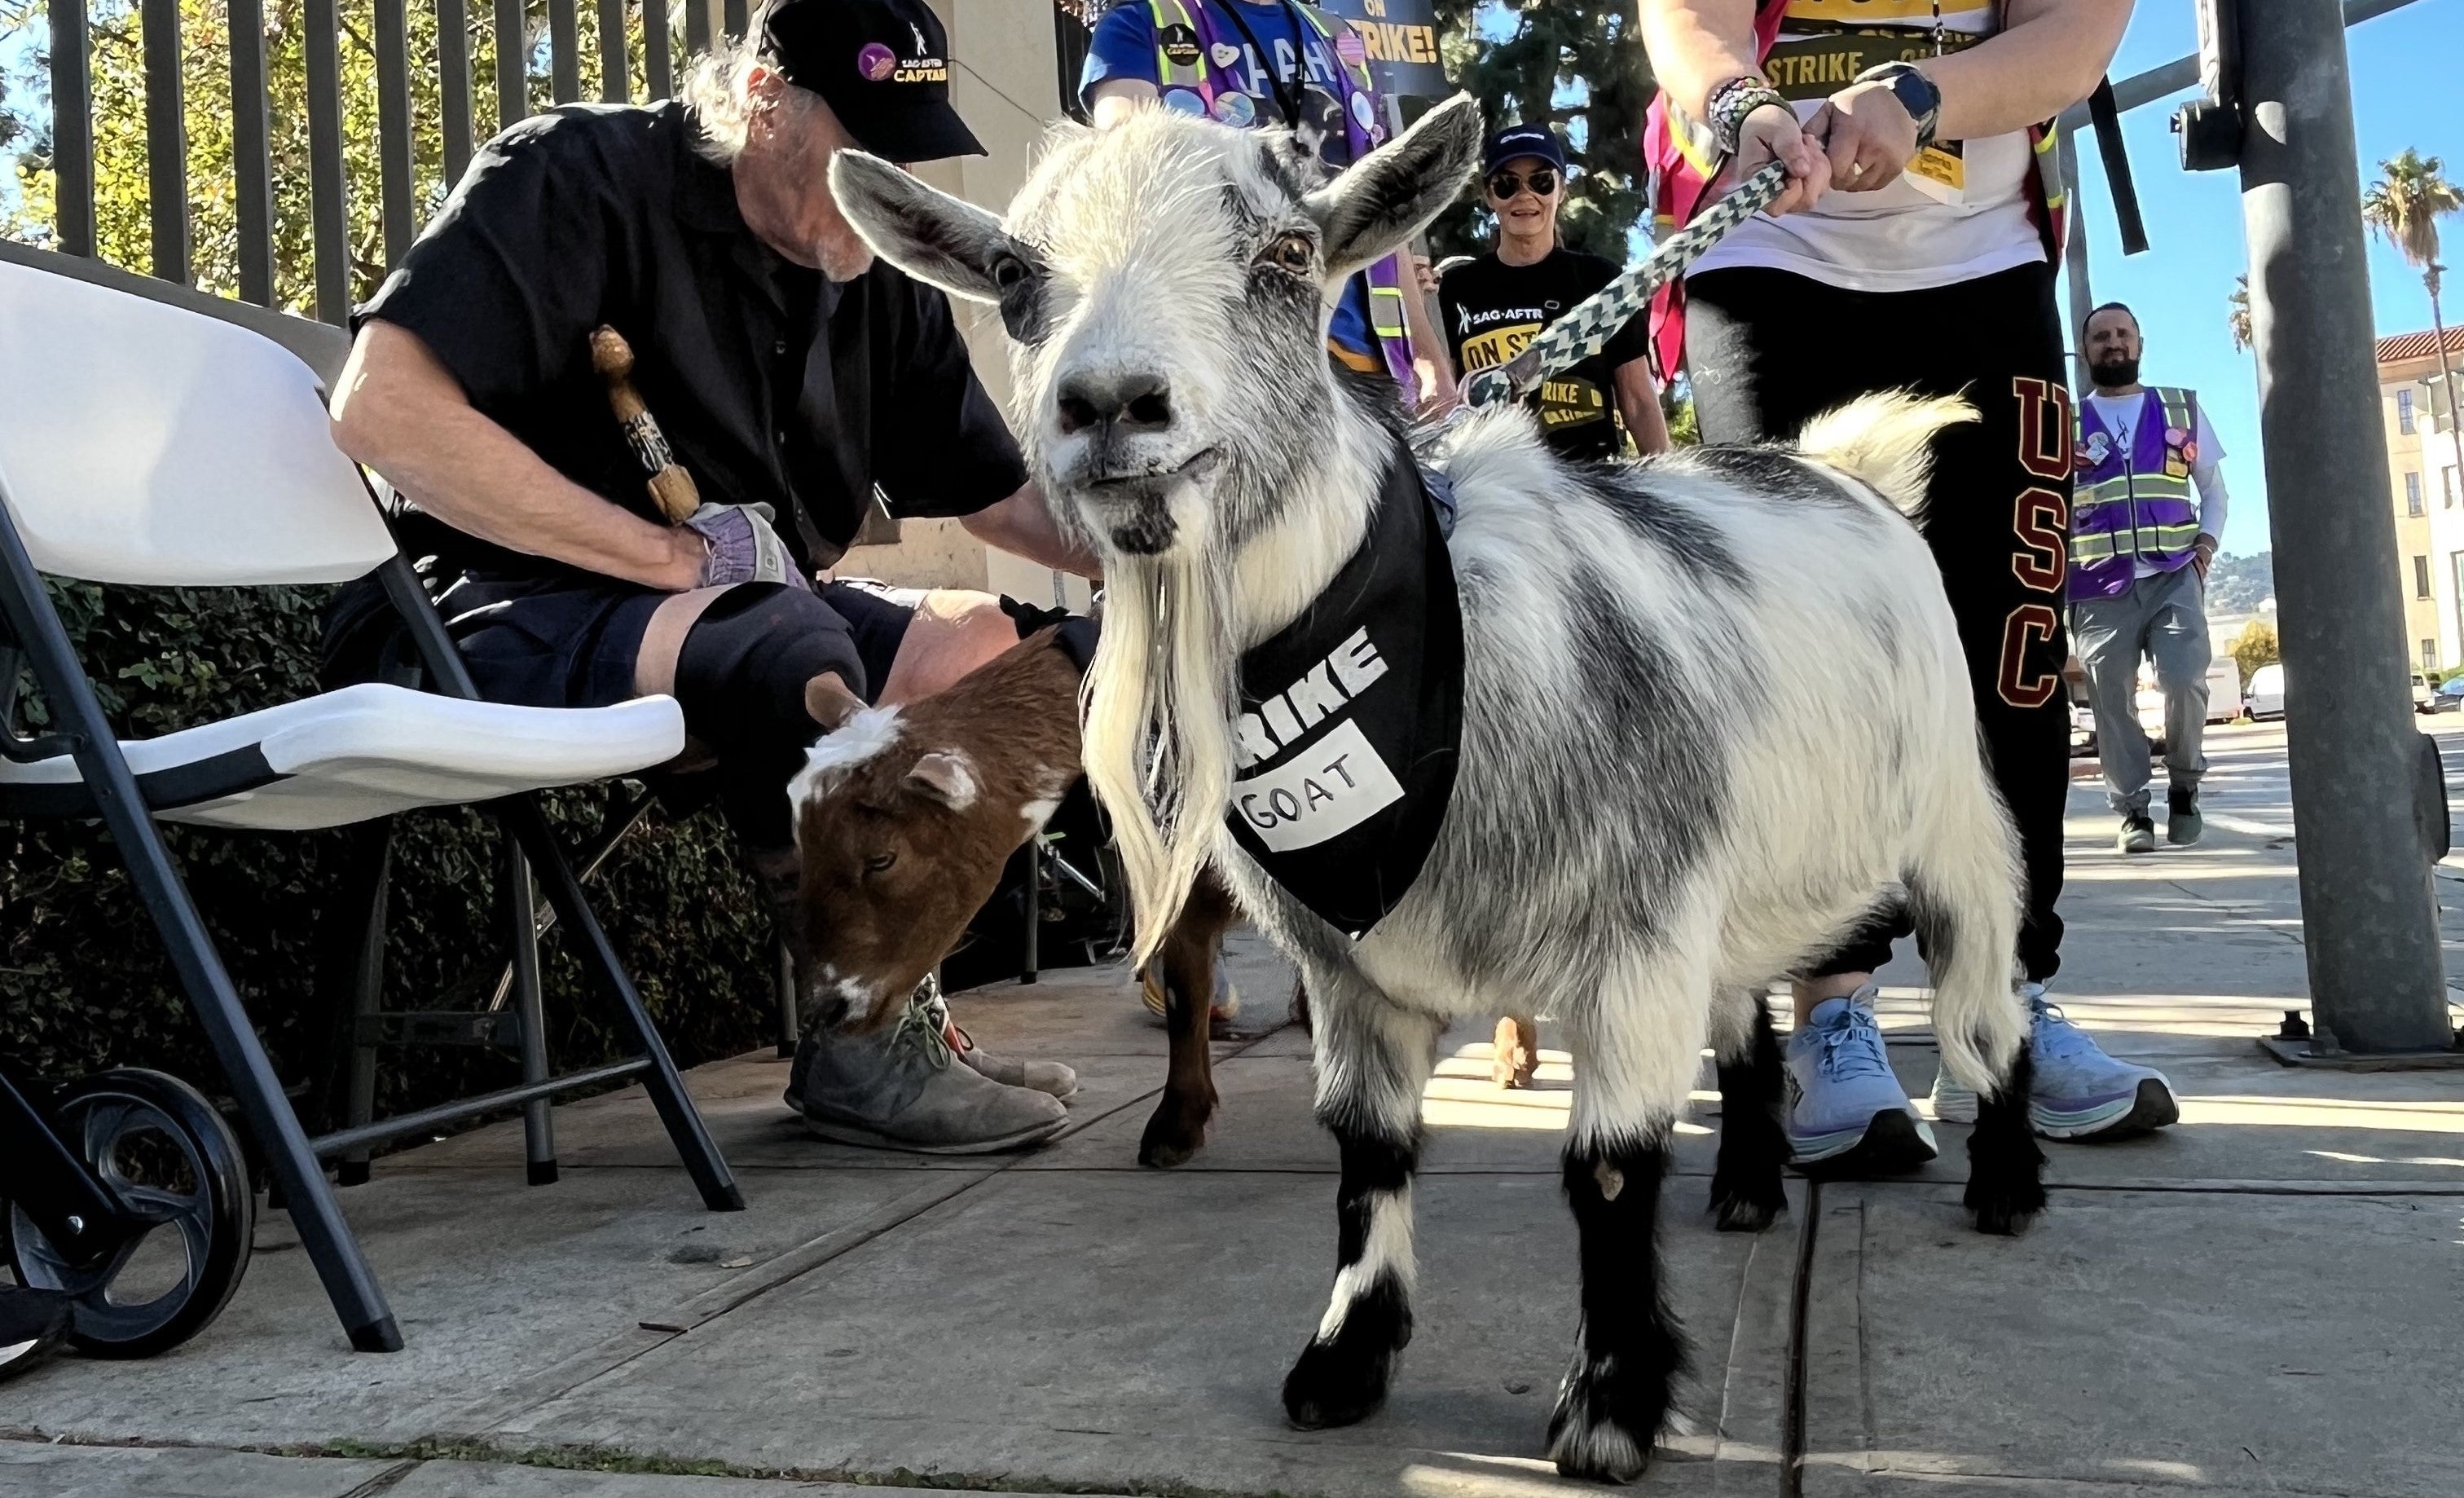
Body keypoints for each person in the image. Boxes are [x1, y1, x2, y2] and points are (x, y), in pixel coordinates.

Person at [326, 0, 1093, 1155]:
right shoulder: (576, 176)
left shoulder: (867, 256)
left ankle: (893, 1008)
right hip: (493, 607)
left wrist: (1173, 547)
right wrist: (664, 557)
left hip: (735, 614)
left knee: (997, 661)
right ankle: (860, 1041)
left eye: (910, 149)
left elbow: (991, 491)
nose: (887, 180)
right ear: (766, 100)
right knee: (791, 651)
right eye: (864, 142)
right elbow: (379, 409)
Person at [1636, 0, 2178, 1163]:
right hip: (1771, 253)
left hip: (1981, 256)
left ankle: (2003, 996)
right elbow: (1686, 24)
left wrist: (1920, 96)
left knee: (2010, 644)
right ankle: (1833, 1012)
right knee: (1798, 663)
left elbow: (2074, 41)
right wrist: (1748, 108)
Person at [1079, 0, 1455, 409]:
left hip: (1369, 373)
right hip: (1231, 376)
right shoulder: (1141, 23)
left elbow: (1381, 208)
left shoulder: (1339, 36)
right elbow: (1123, 182)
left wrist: (1424, 352)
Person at [2072, 302, 2229, 853]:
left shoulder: (2179, 409)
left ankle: (2185, 787)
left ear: (2139, 343)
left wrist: (2204, 549)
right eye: (2100, 337)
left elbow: (2213, 491)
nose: (2112, 344)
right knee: (2111, 700)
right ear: (2087, 349)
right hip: (2096, 586)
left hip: (2173, 574)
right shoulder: (2066, 424)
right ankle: (2133, 810)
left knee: (2185, 678)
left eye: (2121, 334)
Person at [1437, 123, 1672, 460]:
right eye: (1507, 184)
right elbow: (1441, 400)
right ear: (1489, 196)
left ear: (1561, 190)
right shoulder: (1455, 288)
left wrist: (1668, 487)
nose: (1525, 195)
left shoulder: (1602, 279)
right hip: (1492, 484)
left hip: (1591, 480)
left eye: (1541, 181)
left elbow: (1637, 401)